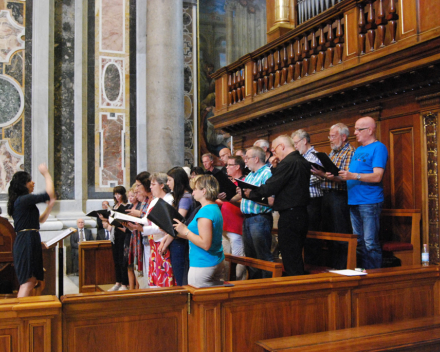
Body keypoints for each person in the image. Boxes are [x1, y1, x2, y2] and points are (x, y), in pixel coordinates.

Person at [245, 135, 310, 276]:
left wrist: (251, 194)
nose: (274, 154)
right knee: (295, 255)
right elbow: (288, 184)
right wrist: (275, 168)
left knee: (289, 256)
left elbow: (271, 187)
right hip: (302, 213)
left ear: (282, 146)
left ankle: (293, 290)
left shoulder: (287, 163)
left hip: (290, 216)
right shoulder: (303, 161)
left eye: (274, 150)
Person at [339, 116, 388, 269]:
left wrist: (353, 176)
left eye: (358, 129)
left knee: (370, 242)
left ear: (370, 130)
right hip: (354, 200)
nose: (355, 133)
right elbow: (353, 174)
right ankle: (362, 273)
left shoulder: (378, 147)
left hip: (369, 201)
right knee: (359, 242)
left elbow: (377, 176)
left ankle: (374, 278)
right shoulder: (359, 150)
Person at [8, 164, 56, 297]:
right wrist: (46, 173)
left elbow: (39, 220)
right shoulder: (23, 199)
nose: (33, 183)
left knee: (32, 280)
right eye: (30, 181)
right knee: (27, 282)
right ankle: (21, 315)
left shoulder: (24, 201)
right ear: (23, 184)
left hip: (31, 238)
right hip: (26, 241)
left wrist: (50, 207)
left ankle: (25, 312)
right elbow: (49, 194)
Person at [311, 123, 355, 269]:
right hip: (327, 195)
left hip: (340, 196)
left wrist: (323, 174)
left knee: (340, 232)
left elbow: (345, 178)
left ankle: (342, 267)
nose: (330, 139)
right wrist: (321, 173)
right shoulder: (332, 153)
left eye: (333, 136)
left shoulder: (349, 152)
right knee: (328, 232)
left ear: (343, 137)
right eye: (329, 136)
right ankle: (331, 266)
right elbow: (329, 174)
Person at [173, 175, 225, 287]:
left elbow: (205, 244)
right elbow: (197, 235)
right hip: (214, 260)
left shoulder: (205, 212)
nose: (193, 193)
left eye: (195, 189)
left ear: (204, 191)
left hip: (202, 263)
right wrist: (179, 232)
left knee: (198, 302)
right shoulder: (213, 207)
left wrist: (186, 231)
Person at [131, 173, 176, 287]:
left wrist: (142, 229)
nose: (150, 187)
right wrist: (132, 222)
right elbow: (147, 220)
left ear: (162, 185)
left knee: (163, 277)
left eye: (153, 184)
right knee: (154, 277)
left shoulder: (169, 200)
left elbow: (163, 226)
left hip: (163, 242)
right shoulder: (155, 201)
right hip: (153, 242)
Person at [238, 146, 274, 279]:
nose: (245, 161)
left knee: (263, 255)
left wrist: (251, 194)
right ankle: (254, 285)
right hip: (248, 218)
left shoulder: (267, 173)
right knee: (250, 256)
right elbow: (244, 194)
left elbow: (270, 199)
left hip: (260, 218)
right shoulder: (251, 175)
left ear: (256, 159)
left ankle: (267, 287)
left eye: (247, 158)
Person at [156, 167, 195, 285]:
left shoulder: (185, 198)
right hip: (177, 240)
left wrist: (165, 243)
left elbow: (177, 224)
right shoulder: (181, 197)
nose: (168, 184)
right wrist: (164, 240)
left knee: (181, 277)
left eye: (169, 180)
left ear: (177, 180)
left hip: (180, 242)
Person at [291, 129, 324, 266]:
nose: (295, 146)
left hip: (313, 201)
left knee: (312, 236)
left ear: (304, 141)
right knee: (303, 235)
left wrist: (297, 180)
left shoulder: (314, 156)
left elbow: (317, 178)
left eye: (296, 143)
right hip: (303, 201)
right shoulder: (302, 157)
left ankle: (313, 265)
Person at [220, 155, 246, 280]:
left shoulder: (244, 181)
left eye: (230, 165)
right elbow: (225, 202)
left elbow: (244, 203)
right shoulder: (229, 182)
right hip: (225, 225)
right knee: (225, 260)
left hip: (237, 226)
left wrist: (228, 199)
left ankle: (240, 285)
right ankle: (226, 284)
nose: (227, 167)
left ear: (237, 167)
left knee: (239, 260)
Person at [125, 171, 151, 289]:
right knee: (143, 273)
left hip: (150, 239)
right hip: (143, 238)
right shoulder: (146, 201)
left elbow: (150, 218)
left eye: (138, 187)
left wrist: (139, 214)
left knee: (147, 274)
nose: (137, 192)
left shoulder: (151, 201)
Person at [102, 186, 129, 291]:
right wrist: (105, 218)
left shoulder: (126, 206)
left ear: (123, 194)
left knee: (123, 260)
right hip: (114, 234)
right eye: (115, 194)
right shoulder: (114, 206)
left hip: (123, 234)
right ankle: (118, 282)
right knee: (116, 259)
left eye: (119, 194)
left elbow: (124, 223)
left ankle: (124, 284)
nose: (117, 196)